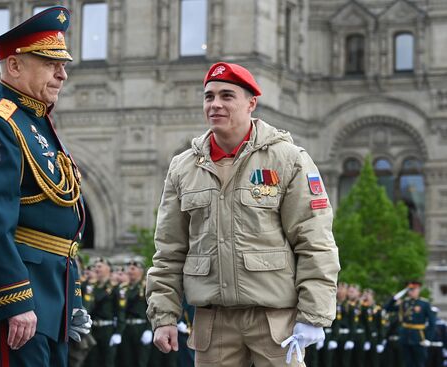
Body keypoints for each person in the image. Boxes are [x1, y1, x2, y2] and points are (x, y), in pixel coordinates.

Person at [146, 62, 340, 366]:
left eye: (227, 96)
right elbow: (169, 251)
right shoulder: (184, 167)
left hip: (275, 323)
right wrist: (164, 315)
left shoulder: (287, 160)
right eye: (209, 97)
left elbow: (314, 241)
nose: (215, 104)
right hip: (213, 324)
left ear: (251, 103)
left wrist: (314, 315)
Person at [0, 6, 91, 367]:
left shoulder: (36, 121)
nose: (62, 74)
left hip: (49, 292)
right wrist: (15, 300)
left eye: (63, 65)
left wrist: (71, 299)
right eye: (50, 63)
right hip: (16, 296)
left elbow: (60, 224)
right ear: (14, 66)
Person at [385, 281, 436, 367]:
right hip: (405, 337)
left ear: (418, 290)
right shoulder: (404, 303)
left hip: (419, 338)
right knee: (407, 363)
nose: (411, 292)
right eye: (409, 290)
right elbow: (388, 308)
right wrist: (395, 298)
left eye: (413, 290)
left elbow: (432, 322)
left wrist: (428, 338)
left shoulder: (424, 304)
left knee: (419, 363)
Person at [117, 259, 153, 367]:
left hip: (140, 327)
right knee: (126, 361)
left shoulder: (146, 287)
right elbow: (120, 310)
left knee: (141, 361)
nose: (130, 271)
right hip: (126, 327)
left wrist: (148, 329)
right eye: (129, 268)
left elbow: (151, 309)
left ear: (141, 271)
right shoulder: (123, 289)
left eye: (133, 268)